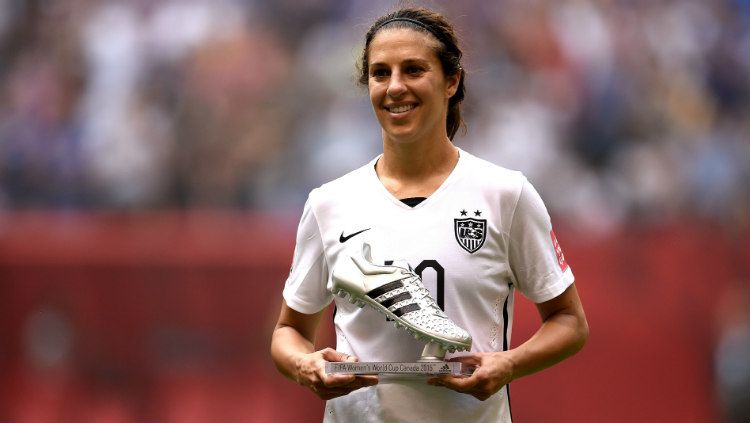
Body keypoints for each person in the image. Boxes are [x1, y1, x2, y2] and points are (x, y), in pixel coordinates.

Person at [271, 7, 589, 423]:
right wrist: (304, 365)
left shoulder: (505, 194)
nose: (395, 87)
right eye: (380, 73)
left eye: (414, 70)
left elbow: (569, 321)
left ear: (451, 81)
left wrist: (509, 363)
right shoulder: (330, 203)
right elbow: (288, 332)